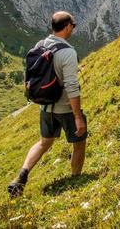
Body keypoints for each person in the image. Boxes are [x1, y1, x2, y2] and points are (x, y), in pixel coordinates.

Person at [8, 11, 87, 197]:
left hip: (45, 106)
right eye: (73, 26)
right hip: (65, 108)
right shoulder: (68, 52)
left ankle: (22, 175)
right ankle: (76, 178)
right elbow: (71, 87)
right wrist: (77, 117)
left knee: (44, 142)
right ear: (67, 26)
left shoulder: (40, 45)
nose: (73, 29)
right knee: (79, 141)